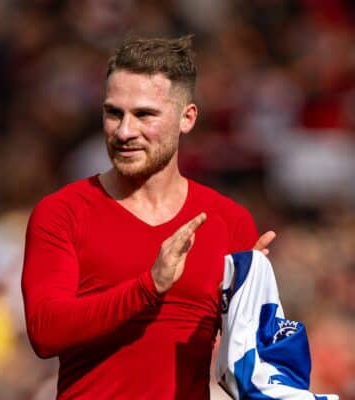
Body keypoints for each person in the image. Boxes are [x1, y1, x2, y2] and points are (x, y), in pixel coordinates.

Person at [21, 35, 276, 399]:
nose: (124, 131)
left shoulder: (228, 221)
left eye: (144, 114)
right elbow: (46, 332)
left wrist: (251, 301)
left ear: (187, 118)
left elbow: (249, 369)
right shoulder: (62, 212)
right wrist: (149, 285)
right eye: (113, 113)